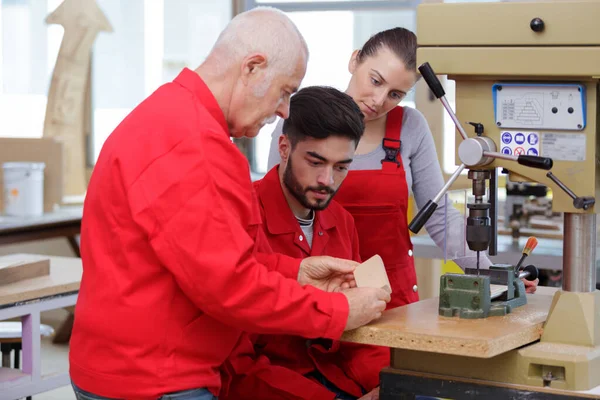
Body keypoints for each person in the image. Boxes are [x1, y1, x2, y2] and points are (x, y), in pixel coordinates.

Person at [69, 8, 391, 400]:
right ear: (252, 68)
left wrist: (297, 272)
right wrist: (338, 313)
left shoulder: (164, 114)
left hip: (120, 364)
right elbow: (231, 288)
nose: (284, 111)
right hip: (157, 378)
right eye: (285, 91)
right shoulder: (198, 147)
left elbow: (208, 258)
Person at [267, 27, 539, 310]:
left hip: (391, 299)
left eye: (395, 94)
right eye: (375, 80)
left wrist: (493, 276)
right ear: (355, 60)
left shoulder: (410, 126)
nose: (378, 100)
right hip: (316, 293)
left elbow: (440, 217)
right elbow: (275, 217)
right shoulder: (301, 118)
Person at [220, 86, 385, 400]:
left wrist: (387, 384)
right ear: (284, 148)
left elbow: (359, 336)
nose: (327, 180)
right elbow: (236, 365)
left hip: (340, 381)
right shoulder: (239, 217)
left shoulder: (343, 222)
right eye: (315, 162)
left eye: (341, 167)